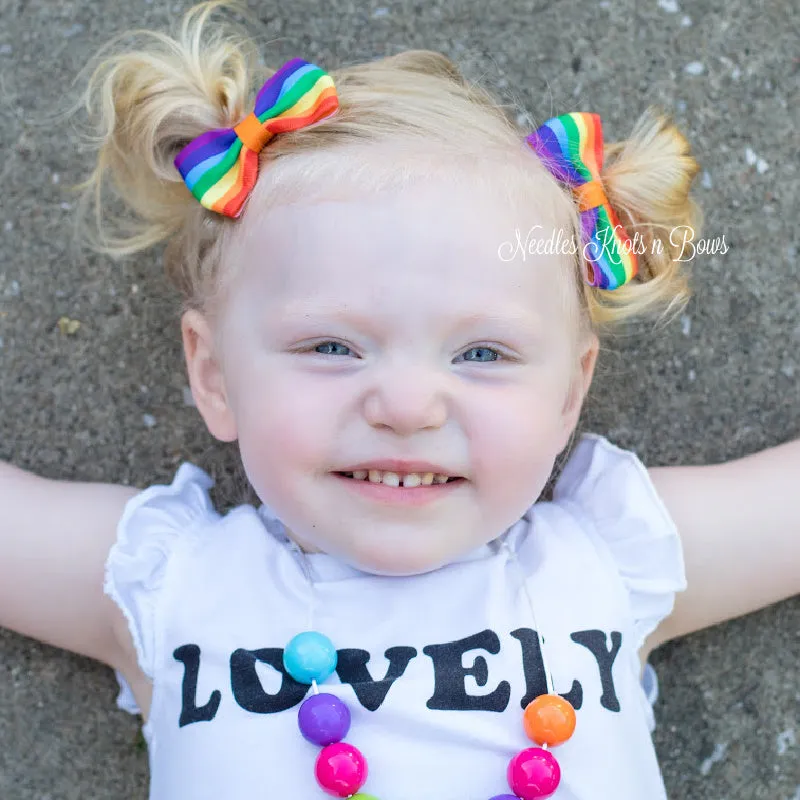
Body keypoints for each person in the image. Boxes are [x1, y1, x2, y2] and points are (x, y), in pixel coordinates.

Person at [0, 2, 797, 799]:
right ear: (213, 375)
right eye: (331, 348)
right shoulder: (166, 586)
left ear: (568, 395)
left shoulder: (613, 564)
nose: (408, 406)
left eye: (483, 353)